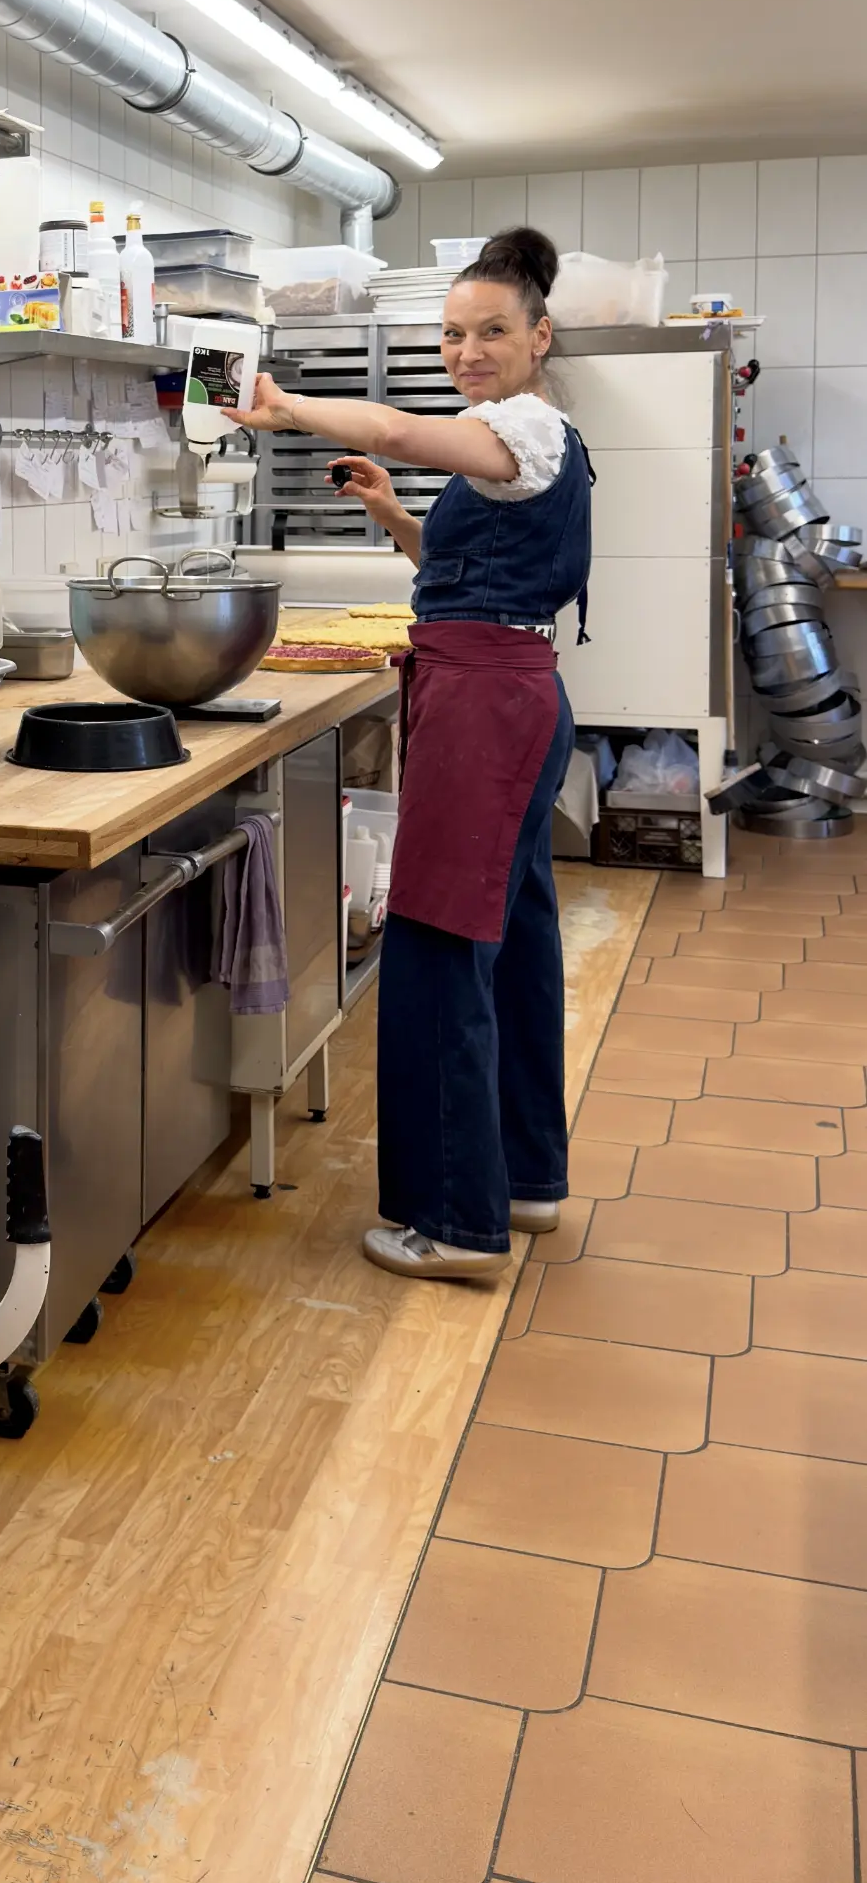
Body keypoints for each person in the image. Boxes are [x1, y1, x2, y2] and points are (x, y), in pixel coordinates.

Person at [230, 226, 592, 1283]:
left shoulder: (521, 425)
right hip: (507, 687)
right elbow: (469, 568)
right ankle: (524, 1181)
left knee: (435, 946)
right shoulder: (519, 444)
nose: (466, 351)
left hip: (486, 707)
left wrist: (288, 407)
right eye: (450, 333)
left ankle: (455, 1222)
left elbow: (395, 423)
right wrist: (393, 516)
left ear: (538, 337)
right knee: (512, 940)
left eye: (490, 331)